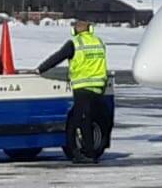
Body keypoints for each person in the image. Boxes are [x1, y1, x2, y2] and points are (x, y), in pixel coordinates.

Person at [36, 17, 111, 163]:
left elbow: (57, 58)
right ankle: (91, 152)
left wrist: (40, 69)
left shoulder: (75, 43)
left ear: (75, 30)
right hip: (98, 88)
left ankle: (81, 153)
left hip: (82, 87)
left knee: (79, 120)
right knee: (89, 120)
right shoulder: (99, 42)